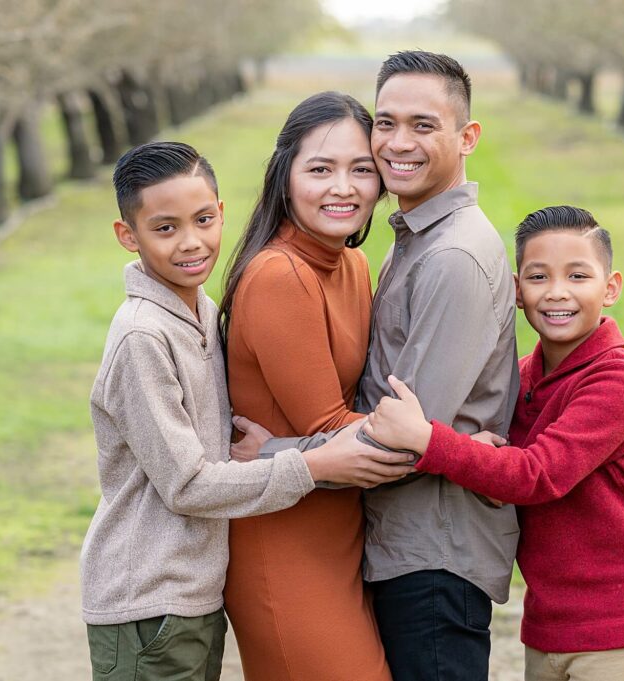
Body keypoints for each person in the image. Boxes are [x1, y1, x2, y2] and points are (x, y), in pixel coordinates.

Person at [79, 141, 414, 681]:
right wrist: (311, 465)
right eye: (165, 228)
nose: (192, 242)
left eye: (204, 219)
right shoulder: (142, 337)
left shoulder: (202, 311)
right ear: (128, 235)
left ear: (221, 213)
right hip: (148, 596)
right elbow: (186, 486)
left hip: (193, 589)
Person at [240, 51, 521, 681]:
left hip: (433, 552)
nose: (399, 143)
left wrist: (265, 457)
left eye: (423, 125)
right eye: (386, 123)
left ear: (467, 136)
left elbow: (403, 442)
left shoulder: (451, 257)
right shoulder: (405, 246)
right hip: (396, 545)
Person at [363, 206, 624, 681]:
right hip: (550, 629)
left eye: (578, 276)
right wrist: (476, 450)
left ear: (611, 287)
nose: (557, 292)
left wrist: (428, 439)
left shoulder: (619, 379)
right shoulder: (523, 379)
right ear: (517, 291)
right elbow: (501, 464)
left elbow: (536, 474)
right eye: (539, 277)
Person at [216, 92, 392, 681]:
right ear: (284, 177)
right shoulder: (279, 275)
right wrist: (462, 449)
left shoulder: (353, 266)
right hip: (283, 542)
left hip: (341, 533)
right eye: (320, 169)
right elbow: (333, 434)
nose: (343, 187)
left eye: (360, 169)